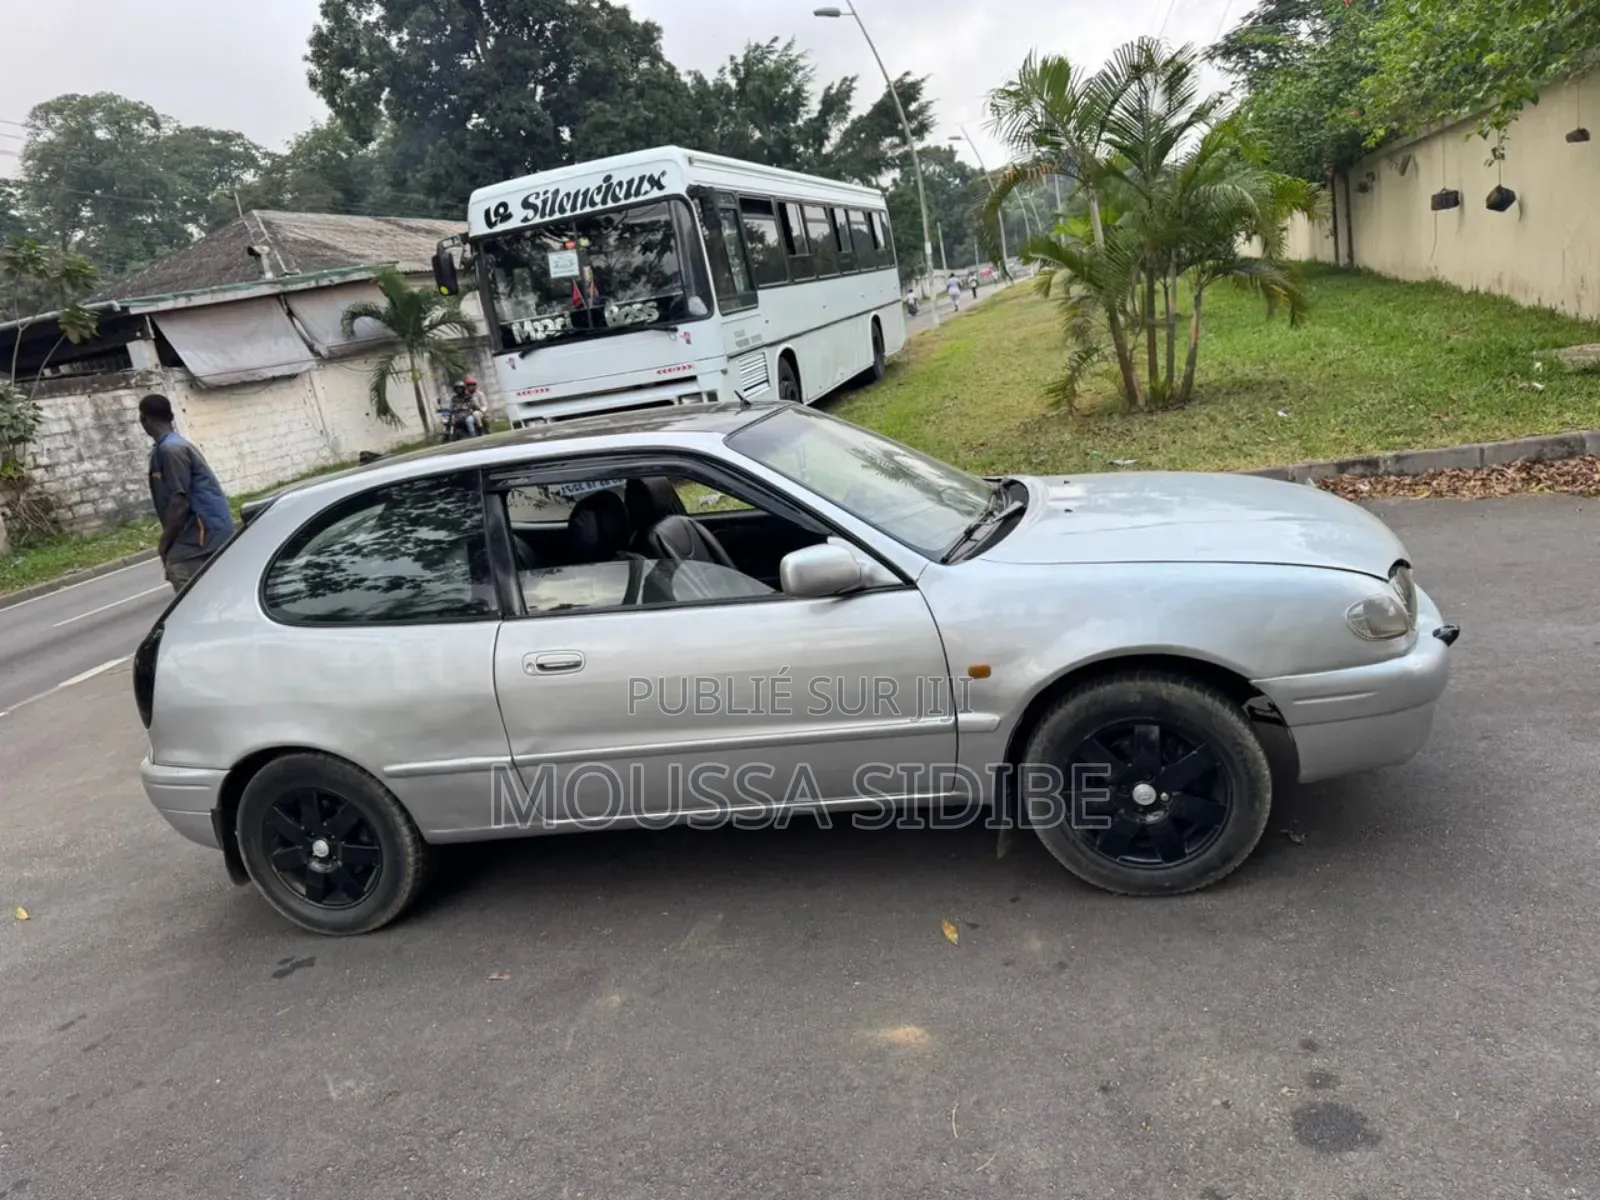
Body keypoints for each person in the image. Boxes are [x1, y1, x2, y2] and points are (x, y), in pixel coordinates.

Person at [139, 394, 236, 592]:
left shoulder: (170, 450)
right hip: (207, 532)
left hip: (201, 537)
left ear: (144, 419)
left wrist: (164, 545)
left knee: (180, 574)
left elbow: (179, 503)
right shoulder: (172, 445)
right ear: (172, 415)